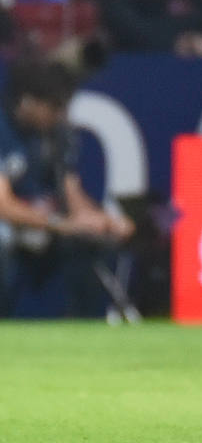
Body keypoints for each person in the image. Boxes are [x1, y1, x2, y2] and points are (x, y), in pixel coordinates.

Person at [0, 58, 134, 317]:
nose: (60, 115)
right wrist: (60, 223)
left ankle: (84, 324)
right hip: (14, 221)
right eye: (53, 107)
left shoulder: (59, 134)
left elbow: (71, 192)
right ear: (27, 102)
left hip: (44, 221)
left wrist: (100, 220)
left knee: (90, 240)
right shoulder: (3, 129)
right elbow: (3, 205)